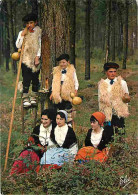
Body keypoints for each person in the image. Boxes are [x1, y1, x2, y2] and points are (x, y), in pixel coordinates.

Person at [10, 109, 56, 175]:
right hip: (36, 149)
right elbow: (32, 140)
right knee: (25, 154)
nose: (43, 121)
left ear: (51, 119)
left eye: (46, 119)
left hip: (49, 151)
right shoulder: (37, 128)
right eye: (42, 119)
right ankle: (14, 174)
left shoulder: (55, 129)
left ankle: (30, 175)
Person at [16, 13, 42, 107]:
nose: (29, 25)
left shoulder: (38, 32)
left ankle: (34, 96)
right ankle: (25, 97)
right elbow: (18, 46)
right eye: (27, 23)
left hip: (35, 59)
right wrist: (22, 36)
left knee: (35, 78)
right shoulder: (22, 33)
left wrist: (37, 57)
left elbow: (40, 45)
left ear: (35, 22)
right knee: (26, 78)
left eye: (31, 22)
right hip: (25, 59)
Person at [98, 62, 130, 133]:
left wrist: (123, 110)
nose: (113, 73)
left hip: (118, 112)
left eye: (114, 71)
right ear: (106, 72)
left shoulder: (122, 83)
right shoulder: (102, 84)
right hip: (107, 112)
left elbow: (126, 97)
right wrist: (101, 113)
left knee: (120, 132)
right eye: (110, 72)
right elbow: (100, 100)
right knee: (108, 133)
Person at [50, 54, 79, 124]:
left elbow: (75, 80)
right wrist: (52, 92)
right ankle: (59, 121)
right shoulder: (56, 71)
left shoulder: (71, 70)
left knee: (68, 106)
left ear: (68, 62)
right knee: (59, 106)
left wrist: (76, 89)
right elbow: (54, 82)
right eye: (60, 63)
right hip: (58, 91)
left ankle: (68, 122)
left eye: (63, 62)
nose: (62, 64)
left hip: (68, 92)